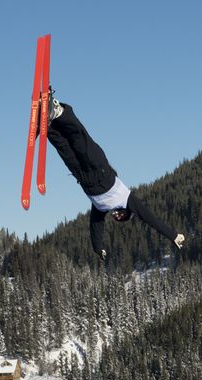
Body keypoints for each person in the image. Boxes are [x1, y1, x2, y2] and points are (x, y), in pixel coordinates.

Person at [45, 93, 185, 260]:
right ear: (126, 212)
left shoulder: (101, 208)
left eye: (117, 218)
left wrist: (98, 248)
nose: (117, 216)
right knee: (80, 142)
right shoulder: (127, 199)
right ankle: (60, 111)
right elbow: (150, 218)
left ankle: (49, 127)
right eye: (121, 216)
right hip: (100, 169)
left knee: (66, 151)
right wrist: (173, 235)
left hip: (83, 177)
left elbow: (95, 226)